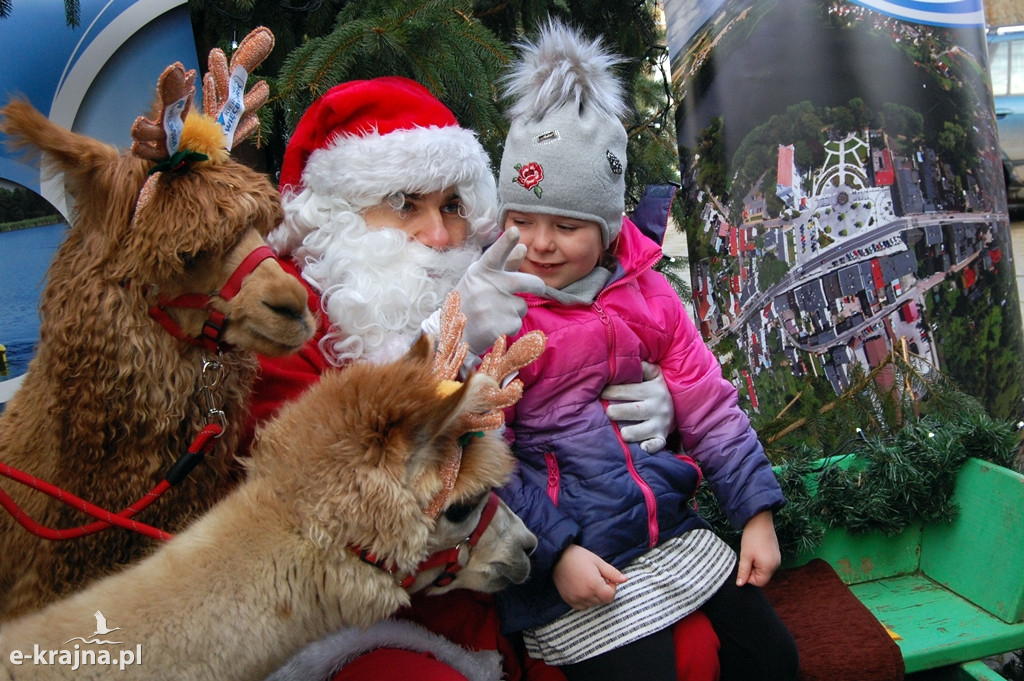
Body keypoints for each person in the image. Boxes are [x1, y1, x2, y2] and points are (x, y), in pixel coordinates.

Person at [248, 75, 711, 681]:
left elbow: (584, 371)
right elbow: (311, 490)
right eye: (406, 204)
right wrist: (446, 342)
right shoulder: (288, 317)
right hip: (366, 622)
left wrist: (661, 404)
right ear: (337, 213)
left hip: (522, 590)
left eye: (452, 207)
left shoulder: (509, 279)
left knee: (695, 651)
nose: (439, 237)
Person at [491, 21, 799, 681]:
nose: (539, 243)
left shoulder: (651, 297)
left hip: (667, 528)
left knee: (773, 656)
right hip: (574, 555)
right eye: (521, 220)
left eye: (566, 225)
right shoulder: (501, 316)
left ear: (606, 231)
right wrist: (558, 552)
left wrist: (755, 513)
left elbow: (710, 408)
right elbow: (487, 458)